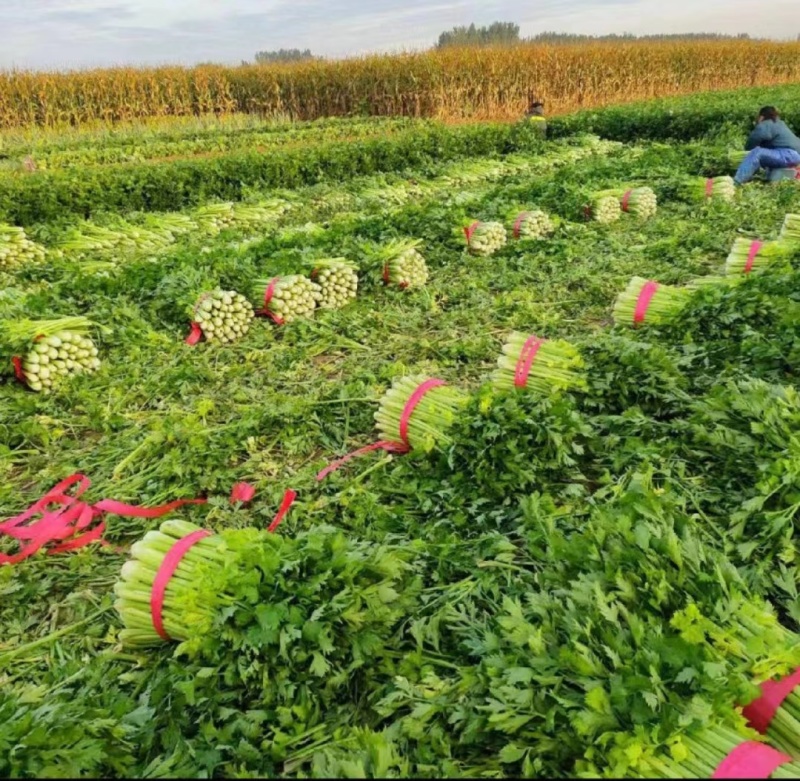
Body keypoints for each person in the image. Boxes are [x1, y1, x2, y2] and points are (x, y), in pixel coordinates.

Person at [734, 106, 800, 185]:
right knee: (766, 157)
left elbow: (754, 139)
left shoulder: (766, 124)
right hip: (793, 156)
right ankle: (771, 181)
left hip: (787, 154)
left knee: (757, 152)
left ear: (761, 117)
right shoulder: (780, 124)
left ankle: (737, 181)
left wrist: (748, 152)